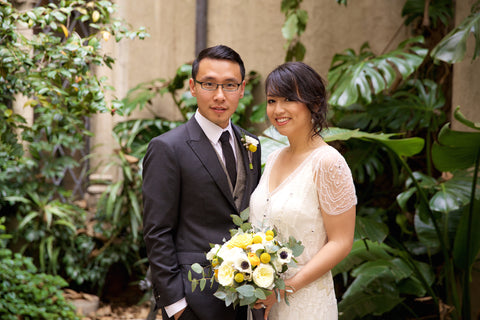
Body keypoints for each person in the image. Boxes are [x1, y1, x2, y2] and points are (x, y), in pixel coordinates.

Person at [142, 45, 262, 320]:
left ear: (242, 89)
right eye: (209, 84)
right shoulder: (167, 148)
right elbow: (157, 232)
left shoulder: (251, 144)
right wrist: (175, 306)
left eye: (229, 85)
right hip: (191, 301)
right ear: (193, 87)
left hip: (244, 301)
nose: (220, 96)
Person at [249, 62, 357, 320]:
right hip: (265, 303)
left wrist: (285, 289)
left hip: (306, 304)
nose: (278, 109)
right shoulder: (274, 157)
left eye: (289, 99)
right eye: (272, 100)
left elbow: (341, 242)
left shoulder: (328, 163)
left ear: (315, 104)